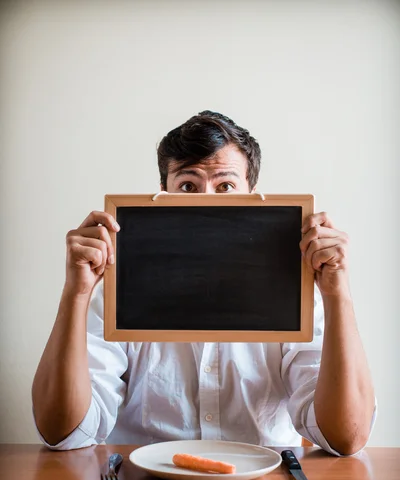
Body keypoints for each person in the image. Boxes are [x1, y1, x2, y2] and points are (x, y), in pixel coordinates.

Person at [32, 110, 376, 455]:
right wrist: (76, 293)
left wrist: (337, 294)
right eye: (187, 186)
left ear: (253, 195)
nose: (206, 201)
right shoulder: (118, 296)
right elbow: (63, 431)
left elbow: (345, 437)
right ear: (163, 195)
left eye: (225, 186)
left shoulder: (297, 298)